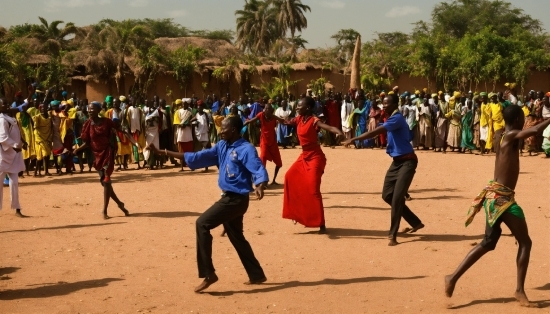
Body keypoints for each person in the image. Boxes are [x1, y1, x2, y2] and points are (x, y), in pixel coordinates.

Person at [445, 105, 550, 308]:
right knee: (525, 242)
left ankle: (452, 277)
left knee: (489, 242)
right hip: (502, 199)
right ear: (519, 119)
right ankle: (519, 291)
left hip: (494, 196)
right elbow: (535, 131)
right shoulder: (510, 135)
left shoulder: (501, 135)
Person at [148, 116, 269, 293]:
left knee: (202, 223)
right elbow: (196, 157)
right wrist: (163, 152)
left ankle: (208, 273)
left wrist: (260, 185)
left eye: (224, 129)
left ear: (234, 130)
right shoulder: (221, 146)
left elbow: (258, 168)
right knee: (237, 237)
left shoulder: (246, 149)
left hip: (236, 200)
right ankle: (256, 274)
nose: (220, 131)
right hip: (229, 197)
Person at [343, 94, 424, 246]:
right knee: (387, 195)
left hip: (408, 161)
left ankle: (392, 235)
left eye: (387, 104)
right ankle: (415, 222)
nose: (384, 106)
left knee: (397, 198)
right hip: (396, 162)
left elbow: (377, 131)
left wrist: (354, 139)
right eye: (383, 103)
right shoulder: (391, 117)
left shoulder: (397, 118)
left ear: (395, 104)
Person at [282, 97, 344, 233]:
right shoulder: (299, 119)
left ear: (308, 108)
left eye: (299, 106)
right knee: (289, 177)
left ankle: (321, 224)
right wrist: (273, 117)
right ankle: (297, 213)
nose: (297, 108)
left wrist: (338, 132)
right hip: (303, 156)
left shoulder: (314, 120)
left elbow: (328, 127)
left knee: (313, 189)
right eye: (297, 106)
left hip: (315, 156)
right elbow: (286, 122)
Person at [73, 101, 130, 219]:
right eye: (88, 109)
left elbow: (121, 129)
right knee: (105, 183)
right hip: (96, 155)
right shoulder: (87, 124)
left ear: (99, 110)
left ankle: (104, 210)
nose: (89, 111)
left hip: (107, 152)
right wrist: (77, 150)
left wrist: (133, 140)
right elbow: (87, 142)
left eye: (92, 109)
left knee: (107, 179)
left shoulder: (107, 122)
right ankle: (120, 203)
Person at [245, 103, 285, 185]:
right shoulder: (261, 115)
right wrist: (247, 122)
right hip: (264, 141)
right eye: (265, 108)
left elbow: (282, 121)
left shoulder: (274, 118)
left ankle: (274, 180)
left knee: (279, 163)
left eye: (268, 109)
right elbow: (252, 120)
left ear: (271, 110)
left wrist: (285, 121)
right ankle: (262, 180)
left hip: (273, 142)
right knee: (262, 159)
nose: (265, 110)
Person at [0, 98, 26, 217]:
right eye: (3, 104)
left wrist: (22, 141)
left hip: (13, 155)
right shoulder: (2, 120)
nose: (6, 105)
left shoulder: (9, 117)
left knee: (14, 182)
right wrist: (15, 145)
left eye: (6, 103)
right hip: (3, 156)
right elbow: (3, 138)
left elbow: (24, 106)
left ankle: (17, 208)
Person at [33, 103, 53, 176]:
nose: (43, 109)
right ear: (39, 109)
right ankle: (37, 172)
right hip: (39, 137)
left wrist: (50, 136)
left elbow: (51, 127)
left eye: (44, 107)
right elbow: (35, 127)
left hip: (47, 137)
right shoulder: (38, 117)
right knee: (43, 154)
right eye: (41, 108)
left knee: (47, 155)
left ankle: (45, 171)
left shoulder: (49, 117)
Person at [175, 99, 194, 171]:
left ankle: (191, 166)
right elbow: (176, 122)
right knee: (181, 151)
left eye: (185, 104)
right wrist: (181, 125)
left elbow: (194, 119)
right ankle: (181, 167)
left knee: (189, 150)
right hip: (181, 133)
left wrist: (188, 123)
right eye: (183, 104)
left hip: (188, 133)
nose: (184, 105)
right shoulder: (178, 112)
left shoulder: (190, 112)